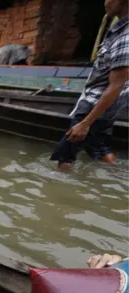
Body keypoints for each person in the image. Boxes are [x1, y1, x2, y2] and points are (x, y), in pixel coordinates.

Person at [50, 0, 128, 171]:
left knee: (65, 155)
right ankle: (116, 175)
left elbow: (117, 85)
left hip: (96, 104)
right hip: (106, 105)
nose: (105, 2)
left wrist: (85, 123)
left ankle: (57, 193)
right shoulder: (118, 28)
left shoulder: (125, 37)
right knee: (98, 148)